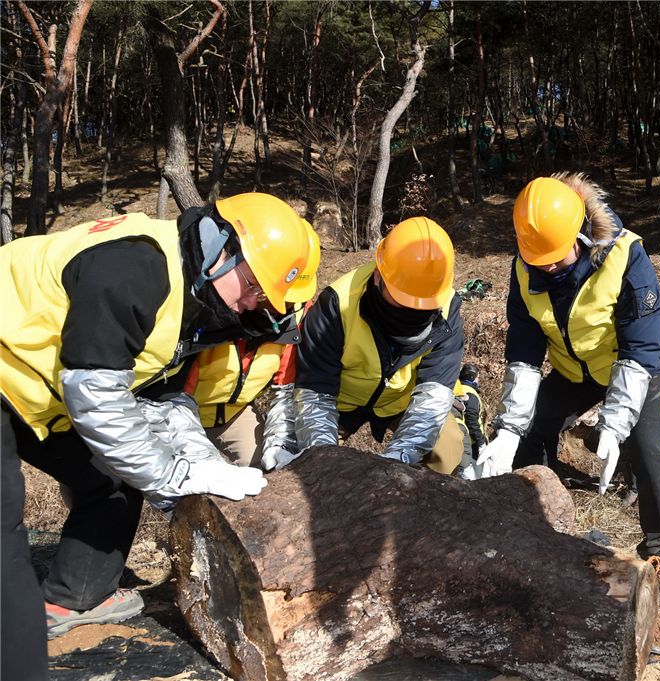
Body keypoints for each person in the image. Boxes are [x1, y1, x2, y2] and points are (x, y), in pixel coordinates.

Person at [0, 193, 310, 674]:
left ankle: (73, 598)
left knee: (112, 478)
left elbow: (162, 397)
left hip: (39, 391)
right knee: (5, 545)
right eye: (252, 285)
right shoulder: (135, 267)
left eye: (263, 299)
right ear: (221, 248)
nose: (252, 304)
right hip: (16, 375)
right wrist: (175, 476)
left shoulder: (194, 297)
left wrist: (201, 463)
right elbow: (97, 398)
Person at [474, 173, 660, 589]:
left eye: (556, 255)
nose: (547, 265)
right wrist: (509, 429)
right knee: (532, 430)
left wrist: (615, 422)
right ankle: (540, 525)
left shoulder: (626, 255)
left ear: (582, 234)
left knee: (646, 452)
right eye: (539, 257)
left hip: (639, 367)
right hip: (576, 370)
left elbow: (639, 346)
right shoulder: (525, 268)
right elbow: (524, 352)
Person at [290, 217, 467, 474]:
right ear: (377, 277)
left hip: (400, 402)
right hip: (341, 402)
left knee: (446, 449)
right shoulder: (337, 304)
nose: (412, 311)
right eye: (402, 300)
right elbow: (314, 393)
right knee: (307, 462)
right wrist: (324, 465)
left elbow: (434, 396)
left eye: (423, 304)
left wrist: (394, 467)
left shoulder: (448, 307)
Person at [177, 222, 322, 470]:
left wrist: (281, 443)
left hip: (234, 413)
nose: (283, 308)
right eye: (274, 296)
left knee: (264, 472)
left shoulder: (297, 312)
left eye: (290, 300)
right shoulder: (215, 306)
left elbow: (285, 387)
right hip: (180, 410)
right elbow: (175, 396)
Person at [457, 364, 488, 461]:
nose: (478, 380)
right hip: (470, 442)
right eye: (477, 377)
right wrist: (481, 442)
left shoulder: (457, 389)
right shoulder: (471, 394)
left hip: (458, 436)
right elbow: (471, 420)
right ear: (472, 377)